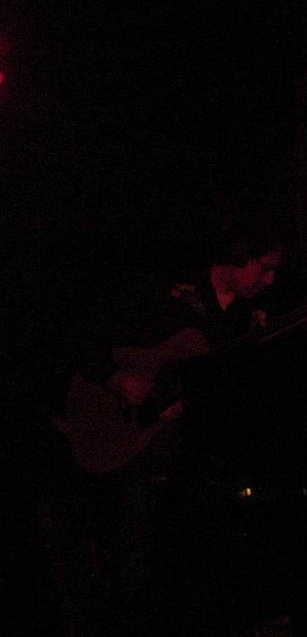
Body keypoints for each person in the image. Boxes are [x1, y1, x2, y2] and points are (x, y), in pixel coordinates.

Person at [60, 213, 286, 637]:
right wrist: (117, 378)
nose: (271, 280)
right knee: (144, 531)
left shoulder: (251, 318)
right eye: (266, 267)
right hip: (142, 442)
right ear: (239, 258)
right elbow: (83, 337)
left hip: (201, 454)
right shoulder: (167, 294)